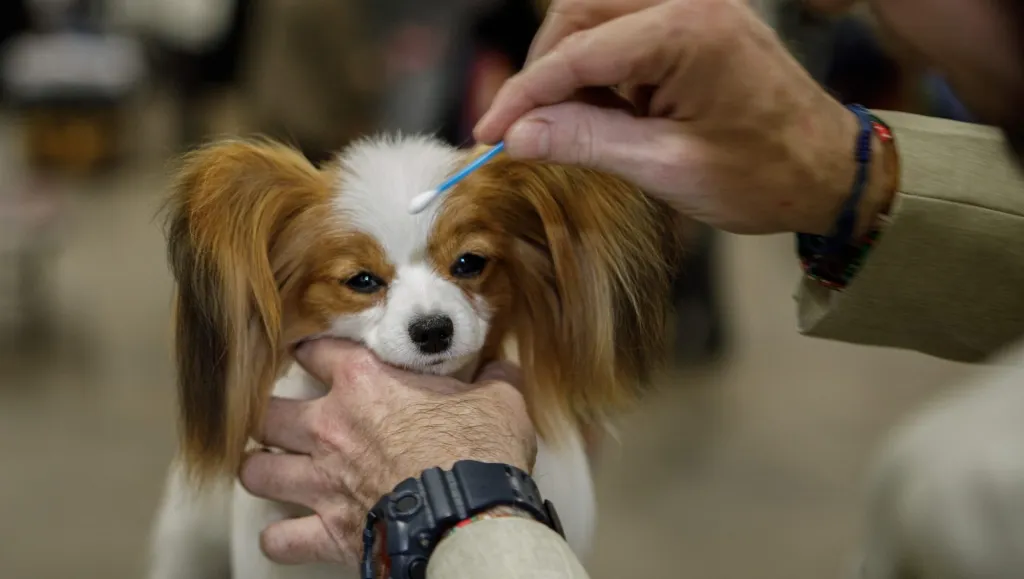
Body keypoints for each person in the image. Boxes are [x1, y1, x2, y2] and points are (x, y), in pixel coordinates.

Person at [238, 0, 1024, 577]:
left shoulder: (972, 487)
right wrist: (845, 171)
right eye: (363, 281)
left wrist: (458, 501)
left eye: (468, 262)